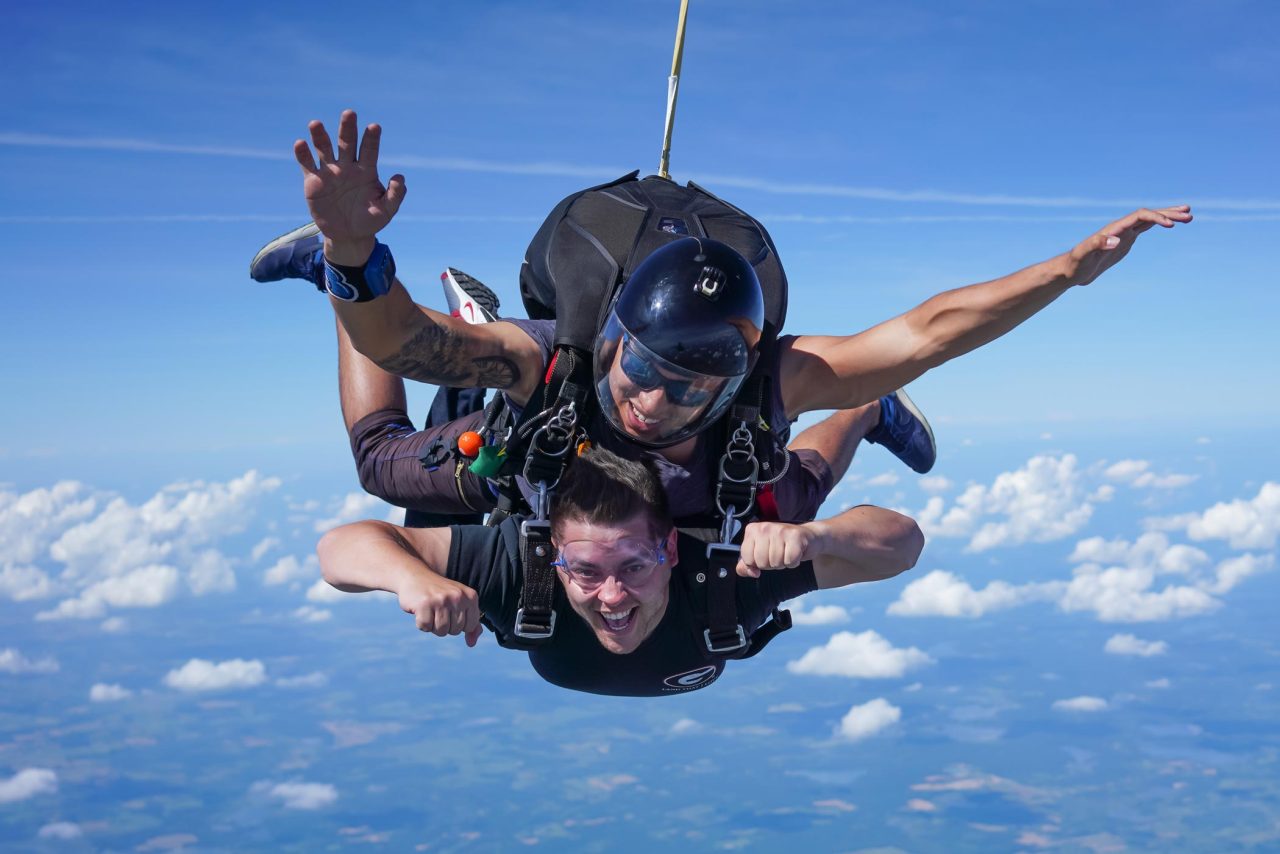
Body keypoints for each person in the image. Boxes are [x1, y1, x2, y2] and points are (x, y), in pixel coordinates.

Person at [284, 111, 1190, 478]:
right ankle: (327, 274)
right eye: (643, 369)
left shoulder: (765, 381)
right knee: (383, 467)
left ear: (734, 375)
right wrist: (351, 249)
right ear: (611, 341)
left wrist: (1065, 274)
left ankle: (867, 411)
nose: (653, 400)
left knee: (768, 495)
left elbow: (930, 334)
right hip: (539, 416)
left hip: (698, 478)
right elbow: (400, 344)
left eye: (691, 388)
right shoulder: (552, 358)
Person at [317, 443, 923, 696]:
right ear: (554, 559)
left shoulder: (726, 582)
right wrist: (410, 577)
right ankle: (346, 271)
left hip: (682, 486)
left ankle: (868, 407)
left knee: (799, 484)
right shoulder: (518, 569)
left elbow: (902, 545)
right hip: (555, 462)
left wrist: (814, 537)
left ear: (671, 550)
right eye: (583, 570)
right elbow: (341, 549)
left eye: (634, 565)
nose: (611, 595)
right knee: (382, 455)